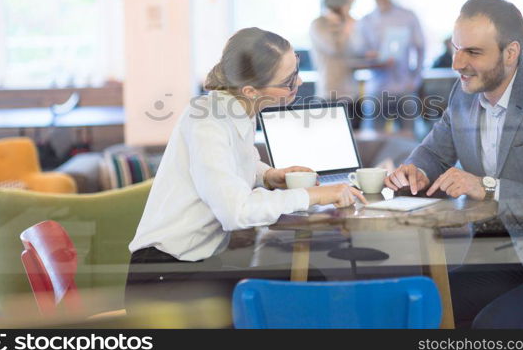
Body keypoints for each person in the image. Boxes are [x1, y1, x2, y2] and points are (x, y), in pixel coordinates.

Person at [384, 0, 523, 328]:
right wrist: (415, 170)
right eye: (456, 47)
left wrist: (487, 187)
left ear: (510, 52)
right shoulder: (466, 91)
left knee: (493, 325)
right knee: (426, 307)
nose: (458, 63)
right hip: (503, 253)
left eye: (473, 52)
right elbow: (433, 151)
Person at [126, 28, 365, 310]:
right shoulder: (208, 121)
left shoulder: (237, 108)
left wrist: (266, 175)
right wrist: (315, 195)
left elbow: (228, 164)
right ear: (251, 89)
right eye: (289, 81)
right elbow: (235, 211)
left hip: (197, 264)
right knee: (300, 291)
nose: (299, 81)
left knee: (311, 278)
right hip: (163, 278)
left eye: (297, 69)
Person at [357, 0, 425, 136]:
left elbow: (420, 48)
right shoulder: (366, 20)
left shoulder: (407, 16)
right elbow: (360, 52)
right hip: (377, 88)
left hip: (404, 86)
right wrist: (370, 55)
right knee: (374, 138)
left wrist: (415, 79)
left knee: (409, 137)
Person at [309, 0, 363, 127]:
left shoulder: (349, 23)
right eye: (349, 3)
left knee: (357, 143)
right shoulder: (319, 24)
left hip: (352, 94)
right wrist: (345, 27)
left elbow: (357, 50)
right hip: (330, 95)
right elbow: (334, 48)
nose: (350, 8)